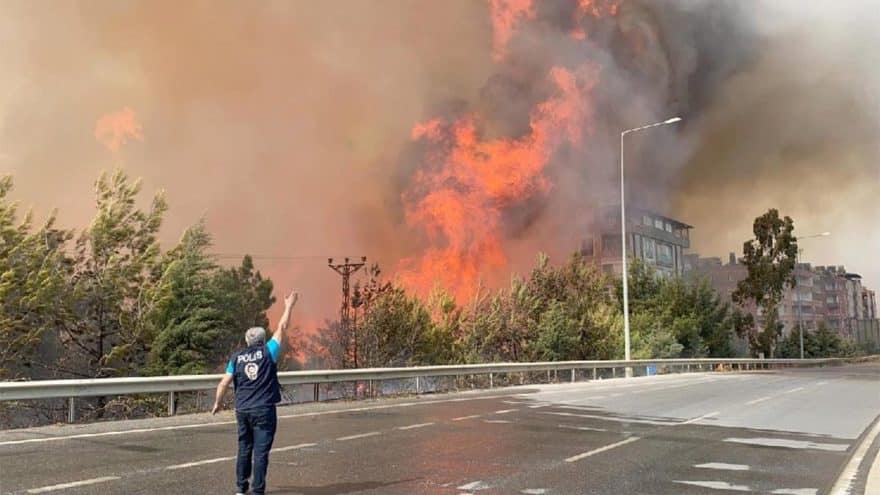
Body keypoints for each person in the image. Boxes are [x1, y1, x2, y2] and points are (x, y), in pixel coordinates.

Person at [212, 290, 298, 495]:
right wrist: (288, 306)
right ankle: (257, 491)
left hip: (243, 410)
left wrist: (218, 403)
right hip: (264, 410)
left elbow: (224, 383)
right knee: (260, 452)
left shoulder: (236, 357)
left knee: (244, 449)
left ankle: (241, 489)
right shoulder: (269, 351)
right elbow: (282, 327)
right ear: (262, 339)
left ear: (247, 341)